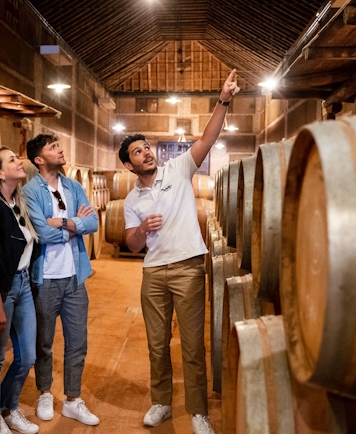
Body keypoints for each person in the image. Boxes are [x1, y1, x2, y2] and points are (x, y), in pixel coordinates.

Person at [118, 70, 240, 434]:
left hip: (188, 268)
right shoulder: (130, 200)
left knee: (191, 346)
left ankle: (199, 412)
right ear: (129, 165)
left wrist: (223, 100)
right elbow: (131, 244)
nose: (147, 153)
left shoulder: (179, 168)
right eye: (138, 151)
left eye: (147, 147)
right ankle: (161, 403)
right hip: (154, 273)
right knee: (157, 345)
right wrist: (141, 228)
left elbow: (208, 137)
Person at [22, 134, 100, 426]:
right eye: (53, 147)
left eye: (59, 145)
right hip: (45, 279)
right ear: (39, 159)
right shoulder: (30, 190)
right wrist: (73, 228)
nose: (60, 149)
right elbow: (41, 232)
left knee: (77, 342)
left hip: (75, 278)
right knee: (44, 342)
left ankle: (72, 399)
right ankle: (44, 392)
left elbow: (92, 223)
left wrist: (65, 223)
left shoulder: (74, 186)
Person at [0, 147, 39, 434]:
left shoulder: (18, 203)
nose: (19, 161)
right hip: (5, 286)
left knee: (27, 356)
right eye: (12, 160)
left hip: (24, 284)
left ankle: (7, 406)